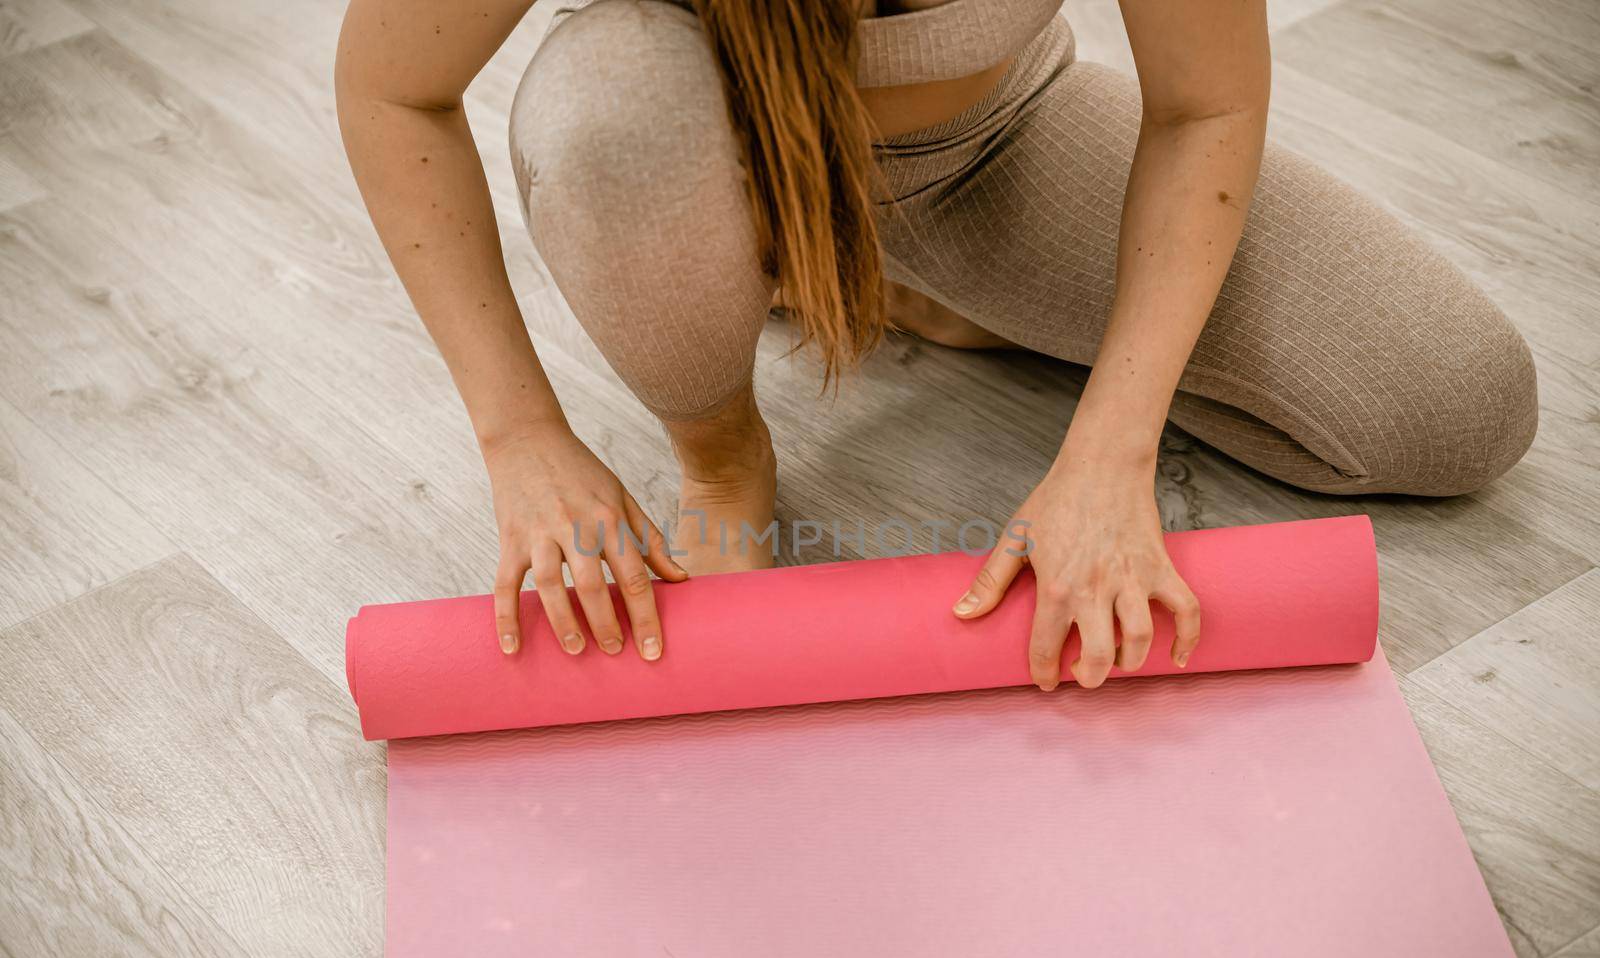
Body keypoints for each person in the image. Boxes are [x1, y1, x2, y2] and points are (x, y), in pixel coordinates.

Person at [334, 0, 1537, 692]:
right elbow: (390, 90)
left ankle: (896, 290)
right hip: (713, 168)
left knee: (1457, 402)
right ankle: (720, 439)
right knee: (608, 120)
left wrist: (1107, 454)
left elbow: (1203, 105)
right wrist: (520, 434)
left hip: (990, 146)